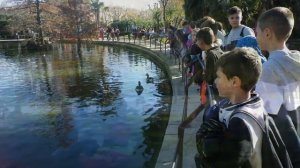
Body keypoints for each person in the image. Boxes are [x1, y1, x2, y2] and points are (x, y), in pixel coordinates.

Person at [195, 47, 264, 168]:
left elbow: (231, 162)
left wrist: (206, 146)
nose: (215, 81)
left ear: (234, 82)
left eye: (218, 77)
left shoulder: (240, 122)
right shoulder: (251, 103)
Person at [255, 7, 300, 167]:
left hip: (284, 141)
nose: (256, 37)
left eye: (257, 32)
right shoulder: (296, 59)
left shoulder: (268, 70)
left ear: (267, 33)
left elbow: (267, 114)